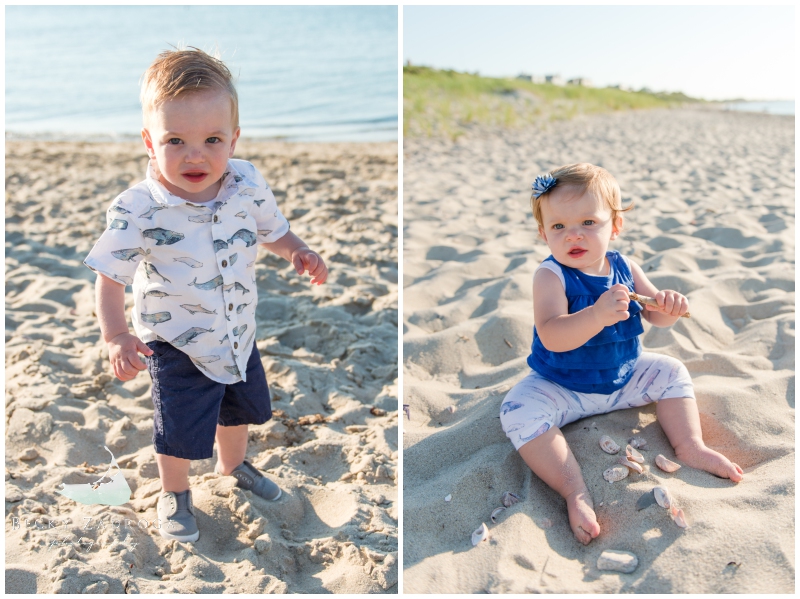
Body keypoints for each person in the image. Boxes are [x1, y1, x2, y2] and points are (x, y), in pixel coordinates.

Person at [84, 48, 328, 543]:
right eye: (176, 140)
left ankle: (232, 465)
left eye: (212, 139)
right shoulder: (138, 209)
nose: (196, 155)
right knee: (177, 426)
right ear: (150, 143)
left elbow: (272, 230)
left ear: (234, 139)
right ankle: (174, 494)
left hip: (238, 329)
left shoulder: (247, 184)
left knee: (237, 408)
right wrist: (116, 335)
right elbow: (110, 277)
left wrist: (297, 250)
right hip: (175, 339)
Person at [499, 163, 742, 546]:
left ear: (614, 226)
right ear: (543, 233)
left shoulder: (625, 267)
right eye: (558, 227)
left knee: (671, 370)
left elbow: (655, 315)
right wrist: (595, 314)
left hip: (625, 377)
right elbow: (552, 335)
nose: (573, 234)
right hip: (563, 386)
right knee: (517, 409)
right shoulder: (550, 276)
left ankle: (690, 446)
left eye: (587, 222)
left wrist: (669, 305)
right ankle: (573, 490)